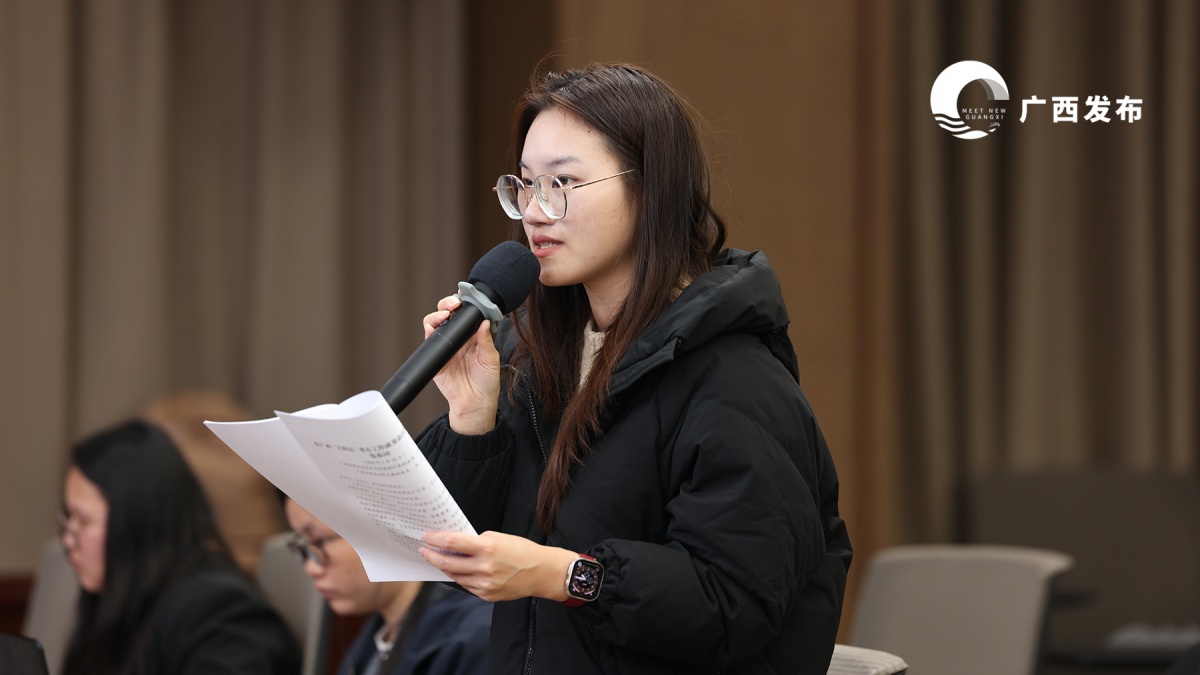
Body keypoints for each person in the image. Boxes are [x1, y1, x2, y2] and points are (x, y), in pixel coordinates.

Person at [414, 63, 853, 674]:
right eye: (525, 185)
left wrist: (563, 575)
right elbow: (456, 562)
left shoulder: (734, 377)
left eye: (562, 182)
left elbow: (735, 606)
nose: (534, 212)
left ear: (650, 188)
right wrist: (471, 416)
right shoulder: (537, 361)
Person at [59, 419, 299, 675]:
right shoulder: (119, 602)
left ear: (138, 521)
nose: (68, 541)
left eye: (83, 521)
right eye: (67, 520)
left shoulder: (218, 610)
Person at [283, 497, 492, 675]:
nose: (311, 568)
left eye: (319, 541)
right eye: (303, 544)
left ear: (380, 527)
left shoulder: (472, 640)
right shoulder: (380, 632)